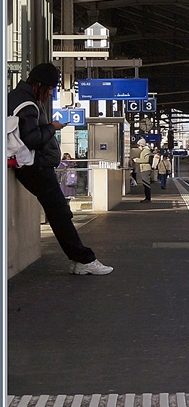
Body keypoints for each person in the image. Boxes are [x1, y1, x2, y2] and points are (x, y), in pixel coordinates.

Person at [7, 63, 112, 275]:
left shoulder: (15, 97)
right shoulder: (27, 104)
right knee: (59, 214)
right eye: (48, 89)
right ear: (39, 84)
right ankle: (84, 259)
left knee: (59, 213)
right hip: (34, 167)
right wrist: (52, 127)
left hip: (30, 166)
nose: (49, 93)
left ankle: (79, 259)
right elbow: (33, 139)